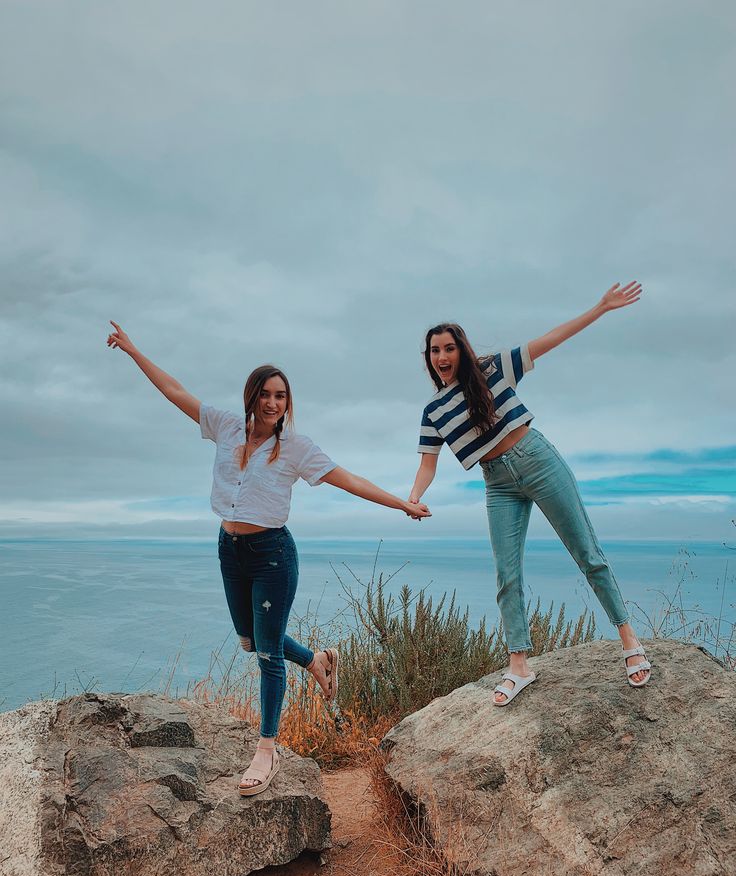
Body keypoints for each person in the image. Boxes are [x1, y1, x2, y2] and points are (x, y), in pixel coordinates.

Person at [106, 321, 431, 793]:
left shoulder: (297, 448)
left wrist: (400, 503)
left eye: (281, 396)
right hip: (229, 549)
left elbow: (350, 480)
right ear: (253, 395)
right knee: (250, 639)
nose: (274, 403)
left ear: (287, 402)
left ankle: (267, 749)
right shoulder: (224, 426)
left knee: (267, 654)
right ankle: (318, 659)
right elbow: (173, 390)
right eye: (267, 394)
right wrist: (134, 349)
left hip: (272, 555)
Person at [408, 282, 651, 706]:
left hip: (536, 459)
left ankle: (629, 639)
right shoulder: (433, 411)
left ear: (461, 350)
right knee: (507, 574)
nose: (442, 357)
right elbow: (427, 463)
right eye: (434, 351)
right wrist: (412, 498)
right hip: (497, 483)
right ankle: (519, 664)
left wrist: (600, 307)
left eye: (449, 348)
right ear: (428, 357)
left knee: (587, 553)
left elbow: (550, 340)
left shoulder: (492, 369)